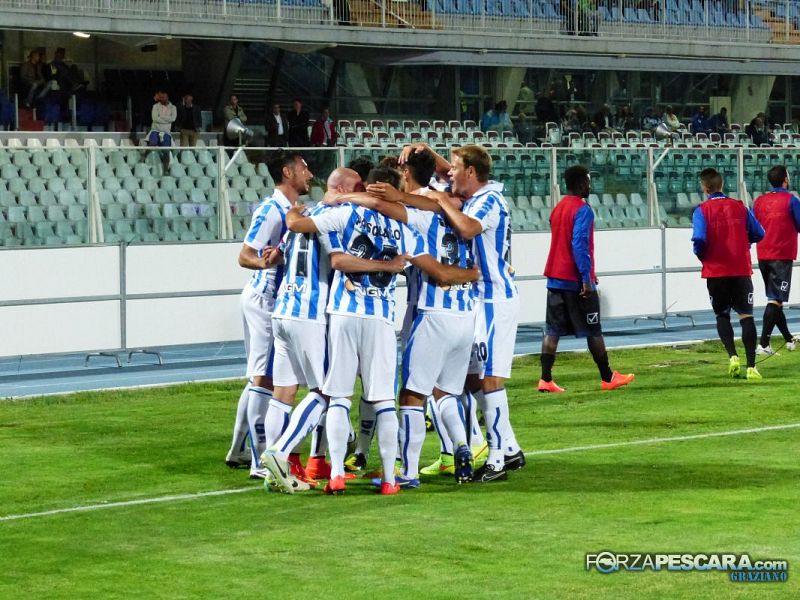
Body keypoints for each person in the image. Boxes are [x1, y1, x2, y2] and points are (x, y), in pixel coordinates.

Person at [284, 175, 478, 496]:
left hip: (345, 313)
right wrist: (474, 274)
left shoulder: (346, 214)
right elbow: (438, 269)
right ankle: (390, 479)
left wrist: (293, 213)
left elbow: (300, 227)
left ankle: (335, 474)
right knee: (385, 400)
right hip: (381, 319)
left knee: (339, 397)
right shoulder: (405, 232)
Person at [261, 168, 402, 493]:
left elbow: (284, 246)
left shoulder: (306, 211)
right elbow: (339, 259)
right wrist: (386, 266)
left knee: (283, 394)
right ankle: (280, 453)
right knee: (326, 392)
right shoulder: (337, 215)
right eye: (356, 188)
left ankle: (286, 470)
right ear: (339, 188)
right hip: (312, 312)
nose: (362, 194)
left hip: (284, 310)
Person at [432, 145, 523, 483]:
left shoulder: (488, 201)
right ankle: (510, 447)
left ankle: (497, 456)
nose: (449, 172)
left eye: (456, 167)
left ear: (471, 171)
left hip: (495, 300)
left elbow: (468, 229)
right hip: (479, 300)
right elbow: (446, 174)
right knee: (472, 381)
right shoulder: (476, 195)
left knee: (490, 379)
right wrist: (427, 151)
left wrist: (441, 201)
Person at [225, 151, 313, 479]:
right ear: (288, 173)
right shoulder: (271, 209)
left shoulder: (290, 210)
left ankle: (238, 449)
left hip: (272, 300)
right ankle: (259, 459)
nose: (309, 173)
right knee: (265, 378)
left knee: (259, 378)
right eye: (303, 168)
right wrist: (268, 261)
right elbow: (245, 255)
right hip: (264, 299)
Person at [538, 165, 635, 393]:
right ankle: (608, 376)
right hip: (575, 280)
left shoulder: (558, 208)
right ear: (581, 184)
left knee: (552, 330)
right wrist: (586, 278)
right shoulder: (583, 210)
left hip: (555, 277)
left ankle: (545, 378)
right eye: (588, 182)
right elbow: (579, 244)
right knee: (593, 328)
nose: (590, 186)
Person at [691, 168, 765, 380]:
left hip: (716, 270)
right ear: (721, 185)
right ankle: (752, 367)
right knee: (746, 315)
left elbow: (699, 239)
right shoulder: (739, 206)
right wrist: (745, 242)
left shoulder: (701, 210)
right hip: (740, 268)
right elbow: (759, 233)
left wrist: (703, 256)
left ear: (705, 188)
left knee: (722, 314)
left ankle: (733, 356)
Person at [751, 165, 800, 355]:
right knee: (775, 299)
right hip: (782, 254)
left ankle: (788, 338)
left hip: (763, 253)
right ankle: (763, 344)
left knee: (775, 299)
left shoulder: (759, 201)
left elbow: (753, 227)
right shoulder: (791, 200)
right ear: (785, 180)